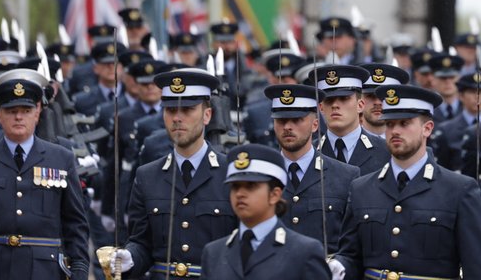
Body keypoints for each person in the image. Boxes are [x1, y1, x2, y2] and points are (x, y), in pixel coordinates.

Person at [335, 84, 481, 279]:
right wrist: (339, 265)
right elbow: (352, 256)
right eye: (390, 124)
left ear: (427, 129)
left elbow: (478, 269)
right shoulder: (362, 188)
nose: (395, 131)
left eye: (404, 123)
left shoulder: (459, 190)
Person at [0, 69, 89, 280]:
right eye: (11, 110)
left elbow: (75, 222)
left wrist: (79, 268)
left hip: (45, 270)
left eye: (26, 109)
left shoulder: (61, 157)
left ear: (37, 111)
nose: (18, 117)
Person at [111, 68, 234, 279]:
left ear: (207, 115)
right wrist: (130, 256)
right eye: (170, 110)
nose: (177, 118)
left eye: (187, 109)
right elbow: (142, 242)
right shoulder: (147, 176)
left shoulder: (230, 174)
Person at [198, 144, 331, 279]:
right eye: (235, 186)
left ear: (274, 195)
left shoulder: (304, 252)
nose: (240, 194)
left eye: (251, 186)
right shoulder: (214, 253)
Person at [265, 83, 358, 253]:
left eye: (297, 120)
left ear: (315, 125)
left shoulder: (345, 176)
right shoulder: (263, 175)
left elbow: (352, 245)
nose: (288, 127)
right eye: (282, 120)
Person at [314, 64, 388, 175]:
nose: (335, 105)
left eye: (344, 98)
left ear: (360, 105)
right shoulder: (311, 152)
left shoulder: (386, 151)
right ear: (321, 107)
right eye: (329, 99)